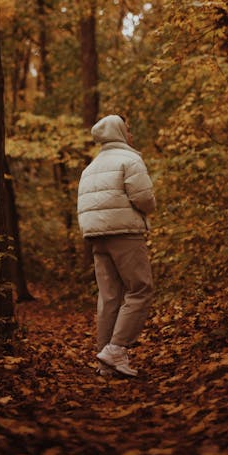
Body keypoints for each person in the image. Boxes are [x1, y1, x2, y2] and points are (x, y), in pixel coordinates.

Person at [77, 114, 156, 377]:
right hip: (124, 233)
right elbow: (144, 199)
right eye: (128, 129)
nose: (130, 134)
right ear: (119, 132)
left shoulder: (91, 167)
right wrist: (149, 208)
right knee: (140, 289)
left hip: (97, 238)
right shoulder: (130, 159)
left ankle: (104, 363)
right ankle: (116, 349)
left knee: (109, 297)